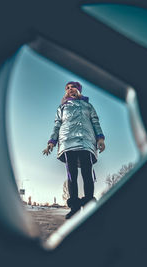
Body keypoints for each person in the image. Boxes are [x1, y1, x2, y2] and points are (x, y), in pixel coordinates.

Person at [42, 81, 105, 219]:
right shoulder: (62, 107)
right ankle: (75, 207)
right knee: (72, 175)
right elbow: (57, 125)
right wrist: (51, 142)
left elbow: (95, 122)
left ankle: (89, 206)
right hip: (67, 143)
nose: (70, 90)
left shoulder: (88, 106)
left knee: (87, 173)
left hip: (86, 142)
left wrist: (100, 138)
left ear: (79, 90)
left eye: (73, 87)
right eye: (67, 88)